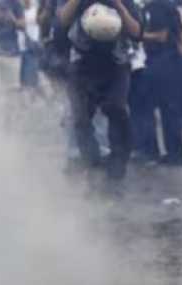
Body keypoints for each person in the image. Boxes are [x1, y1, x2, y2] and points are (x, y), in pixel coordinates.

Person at [56, 0, 143, 180]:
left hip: (115, 66)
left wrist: (118, 6)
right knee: (80, 118)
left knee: (116, 109)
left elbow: (137, 32)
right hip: (82, 65)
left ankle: (117, 169)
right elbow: (62, 21)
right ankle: (92, 163)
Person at [133, 0, 182, 166]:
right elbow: (179, 33)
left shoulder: (156, 7)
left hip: (161, 61)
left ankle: (161, 153)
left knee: (155, 109)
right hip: (169, 61)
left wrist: (136, 34)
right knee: (169, 110)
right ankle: (174, 153)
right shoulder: (167, 6)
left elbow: (161, 35)